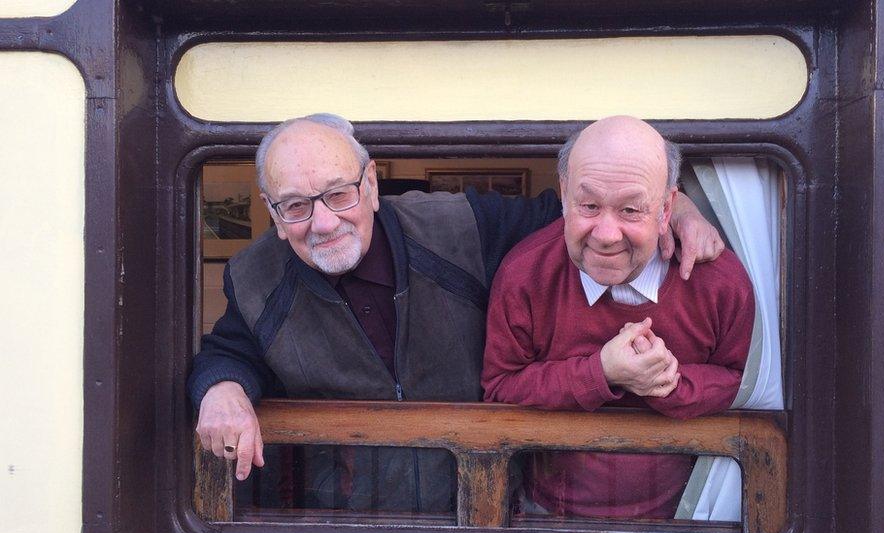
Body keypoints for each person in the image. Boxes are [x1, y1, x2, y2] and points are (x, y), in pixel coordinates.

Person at [188, 113, 725, 512]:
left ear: (371, 184)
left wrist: (675, 210)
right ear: (274, 213)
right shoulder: (256, 277)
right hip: (346, 522)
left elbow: (581, 210)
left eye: (338, 194)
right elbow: (229, 352)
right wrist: (222, 390)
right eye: (297, 206)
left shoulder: (458, 227)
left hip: (484, 510)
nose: (324, 223)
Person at [481, 115, 755, 519]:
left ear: (666, 210)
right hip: (547, 517)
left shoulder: (720, 282)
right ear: (563, 195)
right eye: (589, 206)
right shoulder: (524, 275)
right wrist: (602, 373)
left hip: (688, 517)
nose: (606, 234)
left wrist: (666, 382)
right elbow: (500, 387)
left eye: (630, 210)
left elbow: (743, 383)